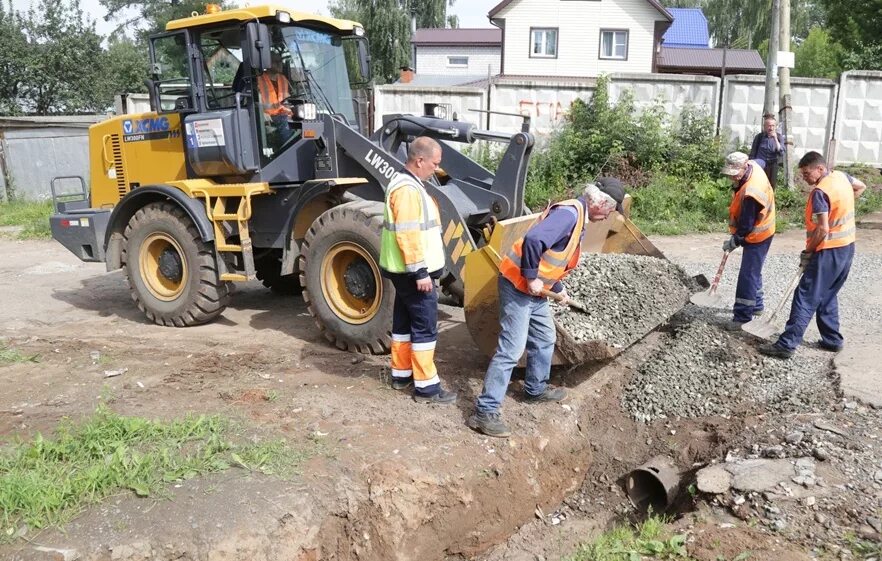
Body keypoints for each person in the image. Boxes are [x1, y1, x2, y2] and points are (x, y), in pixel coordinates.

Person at [468, 182, 624, 438]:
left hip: (537, 291)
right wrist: (531, 277)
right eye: (610, 210)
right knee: (512, 349)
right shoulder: (569, 215)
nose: (608, 215)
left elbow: (554, 256)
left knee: (544, 338)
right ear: (599, 203)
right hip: (519, 286)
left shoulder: (579, 217)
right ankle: (484, 412)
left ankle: (534, 389)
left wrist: (558, 286)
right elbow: (533, 240)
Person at [759, 151, 866, 359]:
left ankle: (786, 345)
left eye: (807, 173)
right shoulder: (842, 177)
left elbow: (822, 229)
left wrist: (808, 252)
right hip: (847, 248)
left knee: (805, 296)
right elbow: (860, 186)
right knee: (827, 294)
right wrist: (843, 210)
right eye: (803, 174)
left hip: (828, 251)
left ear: (820, 169)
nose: (805, 178)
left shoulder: (821, 192)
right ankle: (832, 340)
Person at [380, 137, 458, 404]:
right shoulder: (407, 190)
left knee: (403, 323)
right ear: (419, 160)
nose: (436, 169)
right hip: (413, 273)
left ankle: (401, 375)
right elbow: (408, 234)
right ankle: (427, 388)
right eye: (434, 164)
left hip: (404, 271)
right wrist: (421, 272)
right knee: (425, 326)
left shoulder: (411, 185)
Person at [719, 151, 776, 329]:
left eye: (735, 172)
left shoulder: (752, 191)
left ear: (745, 167)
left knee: (748, 274)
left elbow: (747, 224)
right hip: (765, 228)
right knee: (754, 269)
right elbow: (762, 161)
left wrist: (735, 241)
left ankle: (742, 316)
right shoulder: (754, 164)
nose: (732, 176)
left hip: (758, 233)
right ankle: (757, 305)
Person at [257, 52, 294, 143]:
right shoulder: (259, 79)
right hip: (269, 116)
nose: (280, 64)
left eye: (281, 61)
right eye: (276, 62)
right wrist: (262, 113)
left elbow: (287, 99)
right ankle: (288, 149)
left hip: (284, 113)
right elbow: (255, 102)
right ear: (267, 63)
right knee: (286, 123)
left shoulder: (283, 78)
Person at [749, 115, 785, 189]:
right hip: (760, 163)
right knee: (758, 184)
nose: (771, 128)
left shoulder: (779, 137)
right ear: (764, 127)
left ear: (775, 127)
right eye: (768, 126)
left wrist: (775, 138)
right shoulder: (759, 137)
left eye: (773, 126)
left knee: (771, 186)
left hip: (772, 164)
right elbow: (753, 152)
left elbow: (781, 152)